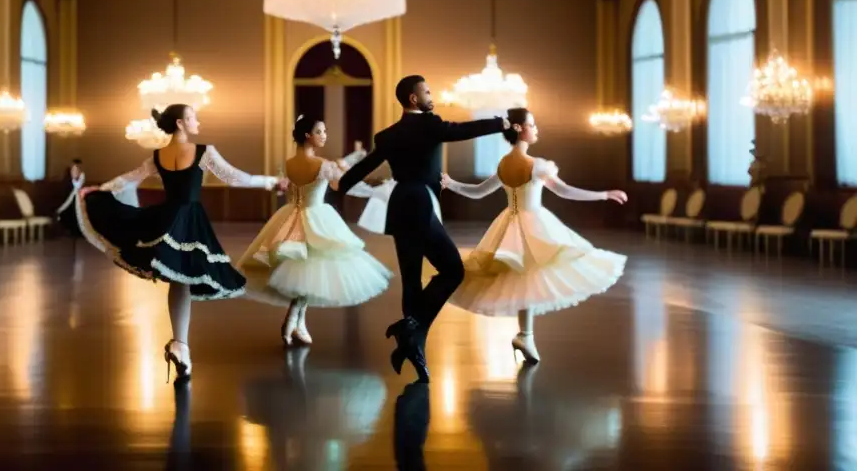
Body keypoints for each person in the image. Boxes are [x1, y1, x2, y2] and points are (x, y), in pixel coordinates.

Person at [79, 103, 284, 382]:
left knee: (180, 279)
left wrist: (99, 189)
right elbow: (235, 177)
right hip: (189, 220)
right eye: (192, 117)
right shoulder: (203, 151)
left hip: (166, 218)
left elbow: (129, 179)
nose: (197, 121)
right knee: (182, 278)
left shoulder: (158, 155)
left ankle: (180, 344)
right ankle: (180, 344)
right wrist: (271, 181)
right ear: (180, 123)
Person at [338, 75, 509, 382]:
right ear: (413, 99)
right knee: (453, 270)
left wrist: (341, 184)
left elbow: (366, 165)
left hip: (400, 203)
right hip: (420, 203)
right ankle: (412, 327)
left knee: (411, 281)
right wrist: (501, 123)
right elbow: (464, 130)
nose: (433, 95)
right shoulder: (430, 124)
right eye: (427, 91)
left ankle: (413, 345)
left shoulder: (387, 135)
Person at [441, 107, 627, 364]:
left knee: (522, 277)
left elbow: (478, 192)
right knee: (529, 274)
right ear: (518, 128)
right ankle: (525, 335)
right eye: (532, 124)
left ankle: (525, 335)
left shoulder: (504, 164)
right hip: (535, 223)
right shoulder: (537, 165)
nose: (536, 128)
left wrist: (451, 184)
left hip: (508, 223)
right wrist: (603, 195)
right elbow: (565, 192)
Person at [237, 114, 392, 346]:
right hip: (316, 218)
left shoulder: (288, 163)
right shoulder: (322, 165)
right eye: (320, 131)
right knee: (311, 267)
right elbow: (348, 186)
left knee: (306, 269)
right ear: (308, 135)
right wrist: (378, 192)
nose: (324, 136)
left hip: (289, 216)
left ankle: (299, 323)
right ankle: (292, 319)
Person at [55, 158, 85, 239]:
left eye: (76, 169)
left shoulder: (81, 175)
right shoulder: (68, 179)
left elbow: (78, 186)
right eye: (73, 170)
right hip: (71, 195)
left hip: (76, 196)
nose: (74, 171)